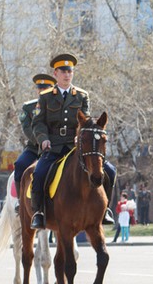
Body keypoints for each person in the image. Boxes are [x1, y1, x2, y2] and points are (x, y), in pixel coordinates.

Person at [30, 54, 116, 229]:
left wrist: (81, 135)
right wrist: (43, 139)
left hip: (76, 147)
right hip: (53, 146)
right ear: (55, 73)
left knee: (110, 171)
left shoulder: (82, 96)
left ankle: (105, 209)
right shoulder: (46, 96)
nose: (67, 74)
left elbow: (86, 120)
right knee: (38, 174)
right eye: (63, 71)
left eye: (70, 71)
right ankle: (39, 213)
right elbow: (38, 123)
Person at [13, 73, 57, 211]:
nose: (42, 91)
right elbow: (26, 128)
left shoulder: (57, 107)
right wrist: (41, 141)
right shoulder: (28, 107)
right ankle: (20, 201)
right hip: (34, 148)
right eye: (40, 88)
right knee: (19, 164)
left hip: (55, 148)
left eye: (46, 88)